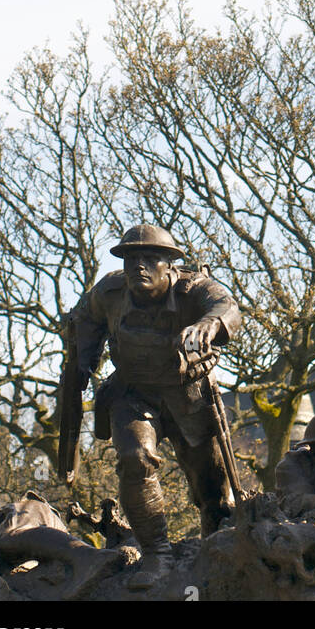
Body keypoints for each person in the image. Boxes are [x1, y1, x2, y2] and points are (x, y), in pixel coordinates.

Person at [68, 223, 241, 588]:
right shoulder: (110, 292)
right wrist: (83, 360)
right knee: (135, 460)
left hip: (189, 397)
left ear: (170, 265)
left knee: (213, 491)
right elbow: (84, 319)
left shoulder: (194, 289)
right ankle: (156, 555)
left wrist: (209, 326)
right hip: (134, 395)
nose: (139, 267)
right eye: (131, 259)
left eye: (150, 259)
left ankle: (217, 551)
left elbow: (228, 309)